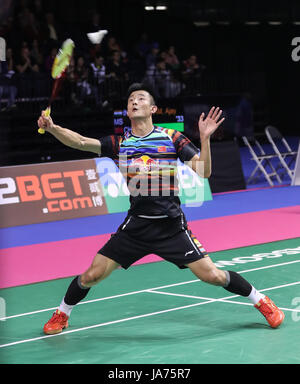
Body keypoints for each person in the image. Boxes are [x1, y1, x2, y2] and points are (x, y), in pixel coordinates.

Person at [38, 82, 284, 335]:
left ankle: (261, 301)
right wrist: (53, 128)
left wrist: (205, 139)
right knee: (92, 275)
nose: (134, 102)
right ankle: (62, 314)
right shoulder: (120, 143)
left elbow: (204, 171)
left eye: (141, 98)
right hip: (136, 227)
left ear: (153, 108)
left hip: (171, 226)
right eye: (131, 99)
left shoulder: (171, 137)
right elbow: (80, 141)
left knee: (213, 276)